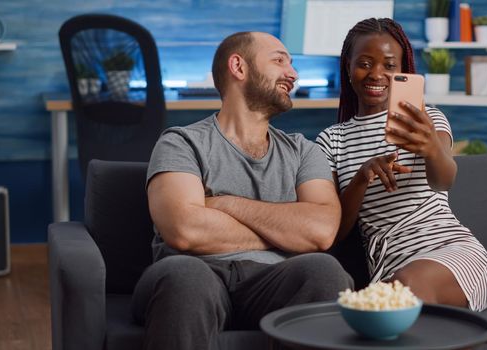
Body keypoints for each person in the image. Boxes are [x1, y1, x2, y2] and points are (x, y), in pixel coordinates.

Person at [131, 31, 353, 350]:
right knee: (186, 275)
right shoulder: (181, 143)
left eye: (291, 64)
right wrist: (285, 231)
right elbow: (184, 231)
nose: (293, 73)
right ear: (239, 66)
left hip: (273, 282)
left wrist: (223, 204)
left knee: (324, 269)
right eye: (279, 60)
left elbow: (320, 232)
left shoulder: (304, 151)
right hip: (193, 275)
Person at [316, 18, 487, 311]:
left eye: (389, 65)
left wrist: (430, 148)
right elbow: (335, 230)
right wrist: (362, 177)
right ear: (348, 66)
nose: (376, 74)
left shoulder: (427, 119)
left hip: (452, 255)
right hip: (389, 271)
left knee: (403, 291)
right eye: (364, 63)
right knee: (381, 305)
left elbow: (444, 180)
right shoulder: (332, 140)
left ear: (403, 70)